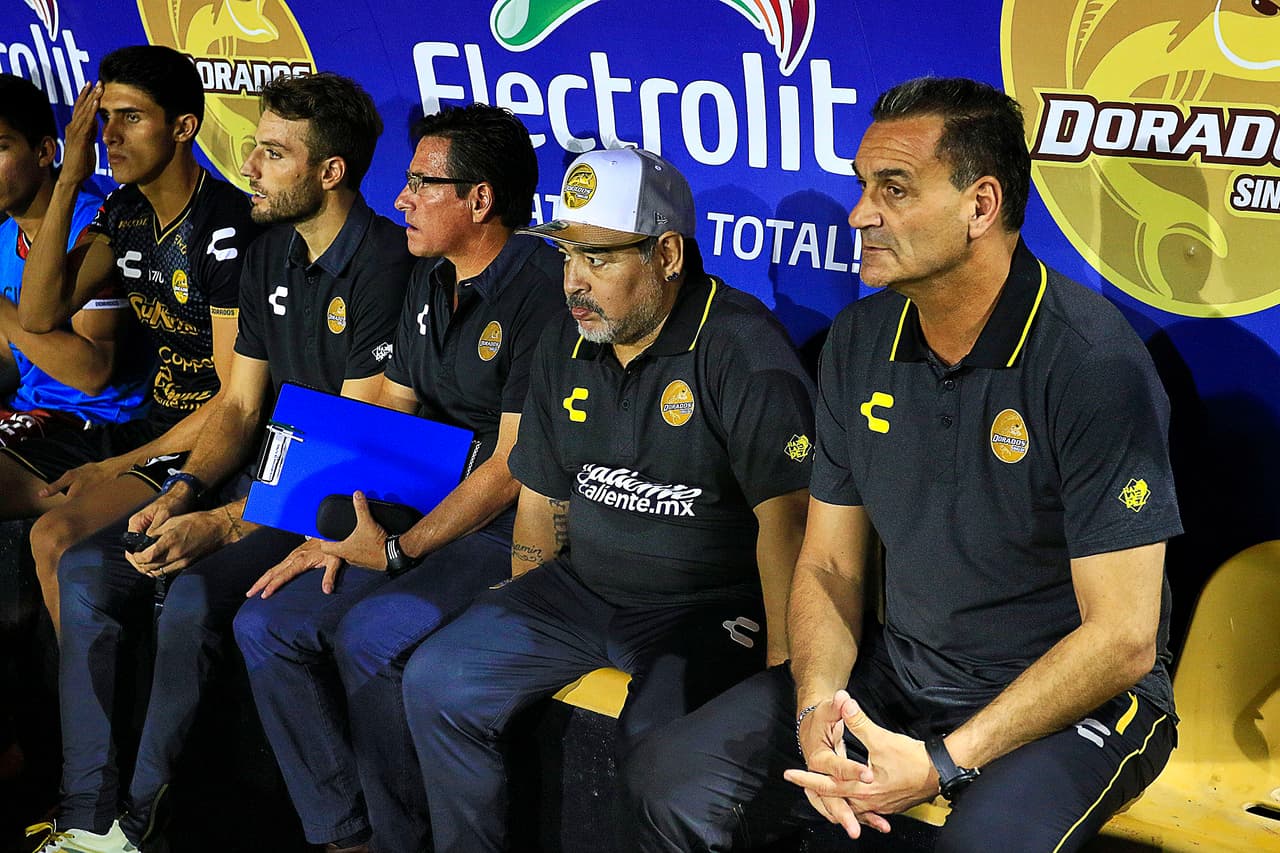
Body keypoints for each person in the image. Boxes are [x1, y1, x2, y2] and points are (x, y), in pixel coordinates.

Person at [623, 77, 1184, 853]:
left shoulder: (1090, 361)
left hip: (1082, 702)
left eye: (893, 189)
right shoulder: (858, 341)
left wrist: (942, 761)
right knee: (670, 778)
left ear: (980, 206)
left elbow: (1122, 637)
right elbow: (829, 563)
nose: (859, 213)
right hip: (906, 669)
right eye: (863, 186)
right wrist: (817, 708)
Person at [33, 71, 412, 853]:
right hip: (261, 476)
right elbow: (238, 406)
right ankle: (84, 814)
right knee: (87, 567)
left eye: (273, 154)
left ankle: (138, 823)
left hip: (336, 493)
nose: (249, 168)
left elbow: (353, 441)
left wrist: (226, 524)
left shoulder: (385, 263)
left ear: (330, 171)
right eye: (255, 148)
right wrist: (184, 490)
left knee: (195, 594)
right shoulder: (270, 253)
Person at [401, 147, 816, 853]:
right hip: (581, 591)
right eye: (566, 255)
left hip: (705, 606)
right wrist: (526, 600)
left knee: (661, 739)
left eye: (597, 258)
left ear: (667, 255)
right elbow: (541, 494)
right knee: (438, 678)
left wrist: (784, 674)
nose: (574, 281)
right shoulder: (565, 341)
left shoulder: (741, 349)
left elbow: (791, 524)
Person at [232, 103, 563, 853]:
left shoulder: (542, 290)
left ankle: (400, 839)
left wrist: (395, 550)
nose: (401, 198)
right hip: (419, 501)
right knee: (266, 623)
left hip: (500, 524)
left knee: (371, 634)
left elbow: (513, 468)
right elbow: (389, 411)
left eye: (421, 183)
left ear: (479, 200)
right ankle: (346, 835)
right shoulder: (429, 276)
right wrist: (333, 527)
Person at [10, 46, 259, 637]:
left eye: (131, 117)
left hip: (215, 436)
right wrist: (69, 179)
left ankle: (87, 699)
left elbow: (235, 400)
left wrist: (117, 466)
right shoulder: (124, 212)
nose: (110, 136)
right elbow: (39, 314)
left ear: (183, 127)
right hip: (154, 423)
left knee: (56, 537)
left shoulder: (227, 226)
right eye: (105, 118)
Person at [0, 73, 151, 625]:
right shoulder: (4, 236)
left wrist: (3, 312)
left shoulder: (95, 226)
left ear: (45, 152)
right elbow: (12, 361)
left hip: (98, 426)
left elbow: (91, 371)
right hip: (34, 418)